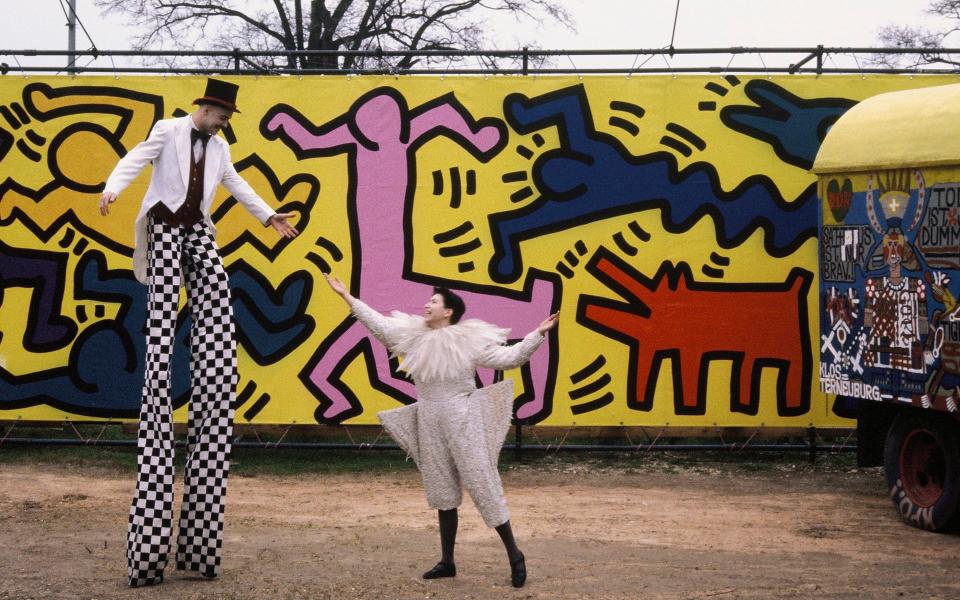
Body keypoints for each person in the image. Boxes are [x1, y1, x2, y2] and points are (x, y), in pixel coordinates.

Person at [99, 78, 299, 587]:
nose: (225, 121)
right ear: (204, 108)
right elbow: (133, 158)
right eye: (221, 114)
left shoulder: (221, 147)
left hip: (196, 231)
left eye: (228, 116)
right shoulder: (168, 130)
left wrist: (269, 215)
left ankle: (214, 350)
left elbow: (237, 185)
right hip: (164, 227)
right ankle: (162, 348)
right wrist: (112, 189)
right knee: (165, 303)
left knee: (214, 283)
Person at [324, 272, 558, 588]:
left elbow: (509, 357)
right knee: (442, 491)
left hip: (463, 421)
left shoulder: (467, 341)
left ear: (448, 311)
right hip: (430, 421)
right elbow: (379, 324)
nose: (427, 304)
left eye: (434, 301)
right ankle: (447, 561)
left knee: (482, 485)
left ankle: (516, 555)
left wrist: (537, 334)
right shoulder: (413, 337)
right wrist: (347, 297)